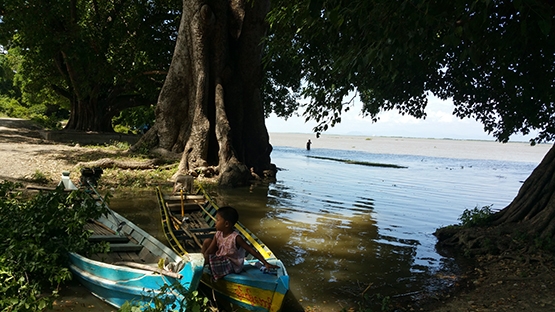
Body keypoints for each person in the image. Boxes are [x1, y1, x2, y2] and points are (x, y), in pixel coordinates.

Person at [201, 206, 279, 280]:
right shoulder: (218, 234)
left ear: (226, 224)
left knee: (207, 258)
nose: (215, 222)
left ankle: (200, 269)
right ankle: (200, 266)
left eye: (218, 220)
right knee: (207, 241)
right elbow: (209, 251)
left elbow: (250, 250)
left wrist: (265, 263)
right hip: (221, 259)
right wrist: (203, 258)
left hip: (231, 264)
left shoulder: (236, 238)